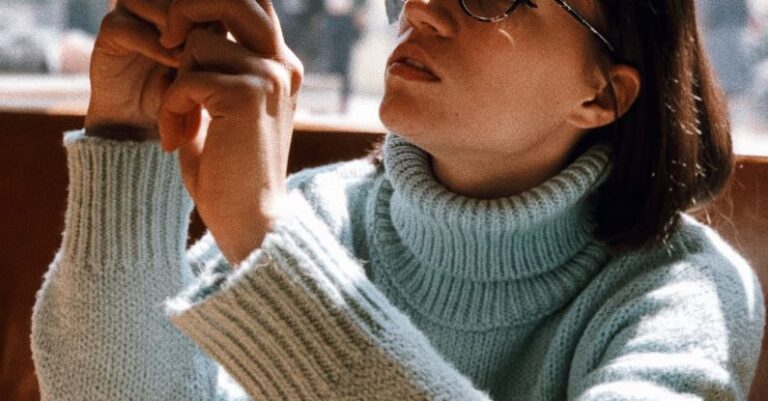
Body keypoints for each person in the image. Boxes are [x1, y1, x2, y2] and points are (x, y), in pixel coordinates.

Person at [30, 0, 764, 400]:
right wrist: (128, 138)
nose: (425, 9)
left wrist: (267, 243)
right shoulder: (319, 214)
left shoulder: (684, 292)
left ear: (603, 92)